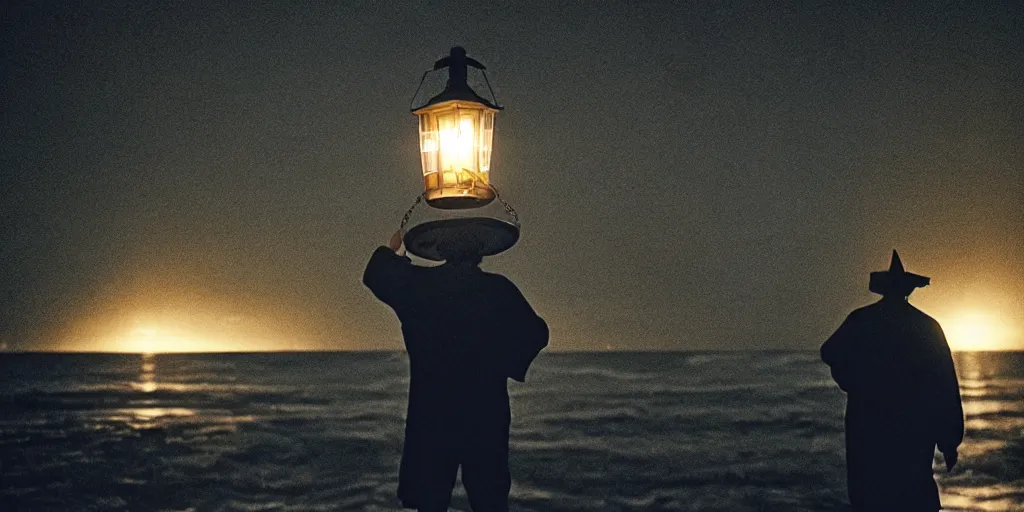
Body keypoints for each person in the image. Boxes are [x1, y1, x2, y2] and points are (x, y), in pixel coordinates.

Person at [363, 229, 549, 512]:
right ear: (479, 253)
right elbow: (536, 333)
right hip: (485, 412)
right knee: (489, 501)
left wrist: (396, 254)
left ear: (442, 250)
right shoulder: (498, 289)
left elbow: (377, 274)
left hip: (432, 413)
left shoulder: (420, 286)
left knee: (431, 500)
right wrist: (503, 362)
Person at [821, 250, 964, 511]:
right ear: (908, 290)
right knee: (915, 492)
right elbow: (945, 385)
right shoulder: (927, 327)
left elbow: (829, 353)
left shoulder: (861, 320)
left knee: (870, 494)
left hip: (868, 424)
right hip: (914, 426)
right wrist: (949, 441)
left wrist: (852, 382)